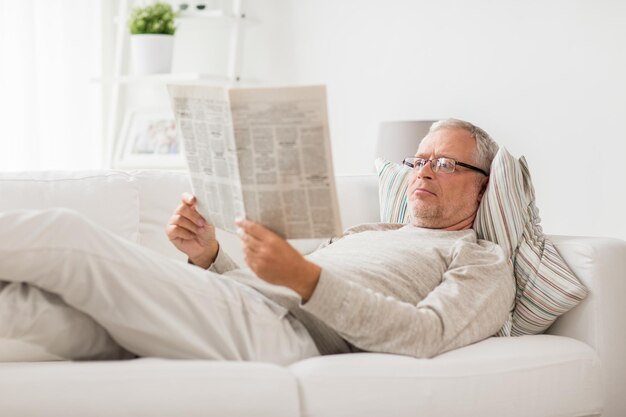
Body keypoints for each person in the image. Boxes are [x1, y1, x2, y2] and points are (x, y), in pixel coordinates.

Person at [0, 118, 514, 364]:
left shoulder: (479, 257)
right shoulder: (370, 233)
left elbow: (428, 335)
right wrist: (213, 255)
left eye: (444, 163)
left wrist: (306, 277)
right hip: (243, 305)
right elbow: (285, 283)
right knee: (26, 310)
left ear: (484, 184)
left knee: (66, 233)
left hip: (283, 334)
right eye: (419, 160)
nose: (423, 172)